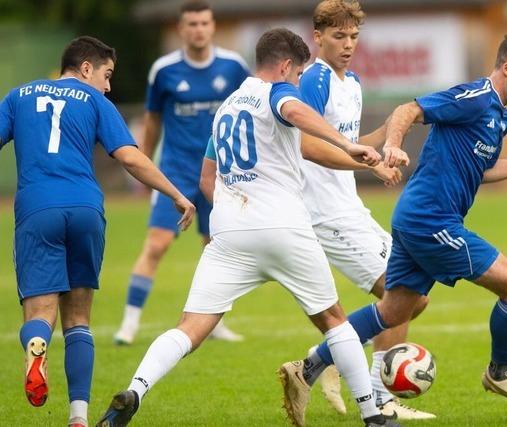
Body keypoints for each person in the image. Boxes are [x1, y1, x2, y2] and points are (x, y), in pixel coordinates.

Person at [96, 28, 400, 427]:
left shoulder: (226, 108)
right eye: (297, 74)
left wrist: (235, 209)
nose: (297, 84)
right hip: (282, 225)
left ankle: (135, 389)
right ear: (286, 66)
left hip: (230, 232)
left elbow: (207, 180)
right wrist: (347, 145)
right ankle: (373, 415)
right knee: (334, 320)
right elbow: (292, 109)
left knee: (189, 328)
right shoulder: (276, 92)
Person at [282, 32, 507, 422]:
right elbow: (408, 110)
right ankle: (501, 373)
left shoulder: (500, 116)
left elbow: (481, 171)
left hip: (418, 218)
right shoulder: (474, 98)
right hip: (431, 220)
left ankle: (307, 368)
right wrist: (394, 145)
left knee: (394, 311)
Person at [0, 36, 195, 427]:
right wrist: (174, 193)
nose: (108, 86)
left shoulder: (17, 96)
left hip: (38, 207)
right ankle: (78, 417)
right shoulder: (95, 102)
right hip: (86, 208)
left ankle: (36, 347)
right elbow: (130, 157)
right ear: (86, 68)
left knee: (40, 313)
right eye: (106, 75)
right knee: (79, 319)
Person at [295, 0, 433, 420]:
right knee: (399, 290)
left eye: (354, 36)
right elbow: (308, 145)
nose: (348, 44)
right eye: (339, 36)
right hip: (325, 212)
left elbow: (352, 139)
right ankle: (376, 394)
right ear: (317, 37)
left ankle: (314, 363)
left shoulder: (351, 82)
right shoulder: (315, 80)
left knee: (414, 294)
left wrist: (392, 131)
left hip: (349, 206)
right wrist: (368, 163)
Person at [113, 0, 250, 345]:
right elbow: (153, 120)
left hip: (220, 175)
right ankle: (129, 324)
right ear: (181, 29)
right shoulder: (164, 70)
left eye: (204, 23)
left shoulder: (234, 67)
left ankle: (214, 322)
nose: (198, 29)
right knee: (156, 244)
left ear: (213, 26)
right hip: (173, 173)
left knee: (215, 247)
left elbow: (252, 112)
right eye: (192, 24)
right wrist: (144, 167)